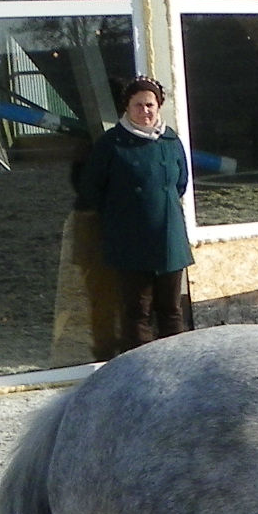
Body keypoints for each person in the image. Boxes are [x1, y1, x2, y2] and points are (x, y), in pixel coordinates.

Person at [72, 75, 193, 353]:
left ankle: (178, 364)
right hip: (130, 240)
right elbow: (91, 189)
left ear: (158, 106)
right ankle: (139, 371)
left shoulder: (171, 141)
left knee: (171, 310)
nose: (145, 111)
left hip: (168, 239)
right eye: (138, 105)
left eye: (150, 105)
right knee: (137, 311)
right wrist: (122, 213)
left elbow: (180, 183)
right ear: (127, 107)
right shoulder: (111, 144)